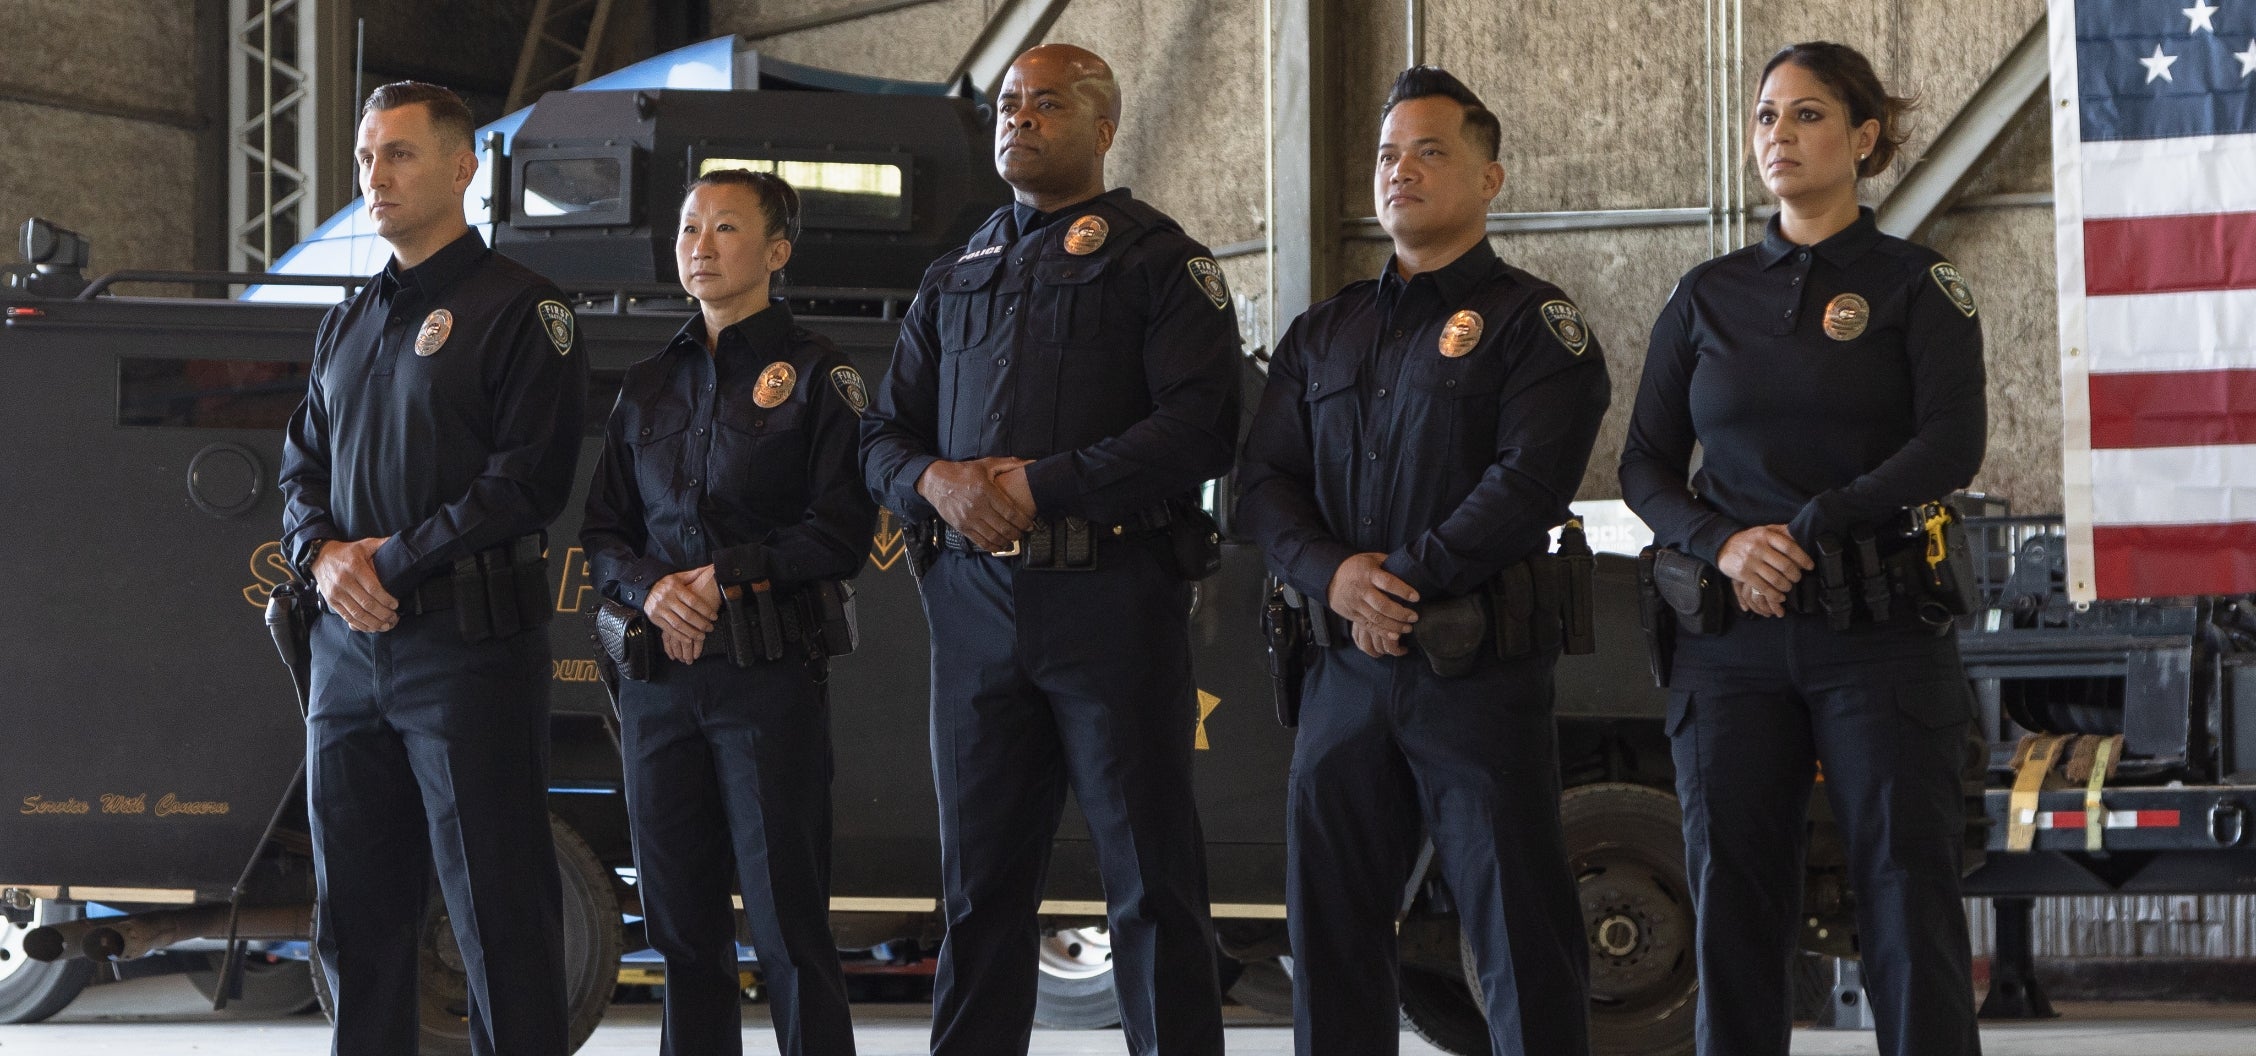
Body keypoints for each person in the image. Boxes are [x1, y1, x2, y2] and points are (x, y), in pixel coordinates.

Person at [860, 43, 1237, 1056]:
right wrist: (938, 483)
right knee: (978, 888)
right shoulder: (955, 272)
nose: (1019, 119)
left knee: (1151, 881)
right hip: (975, 610)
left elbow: (1203, 425)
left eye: (1048, 105)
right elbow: (880, 436)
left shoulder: (1160, 261)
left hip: (1111, 599)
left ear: (1104, 127)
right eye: (1008, 105)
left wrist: (1038, 485)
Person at [1618, 41, 1987, 1056]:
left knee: (1906, 891)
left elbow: (1950, 444)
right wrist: (1725, 542)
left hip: (1878, 635)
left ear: (1865, 140)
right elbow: (1644, 464)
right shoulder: (1706, 295)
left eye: (1808, 115)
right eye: (1765, 116)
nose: (1779, 134)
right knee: (1732, 896)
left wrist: (1814, 526)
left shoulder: (1919, 286)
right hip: (1731, 638)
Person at [1236, 65, 1606, 1056]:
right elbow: (1261, 486)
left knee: (1519, 933)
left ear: (1489, 180)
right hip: (1339, 674)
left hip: (1473, 669)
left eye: (1431, 151)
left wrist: (1402, 582)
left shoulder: (1537, 326)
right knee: (1331, 940)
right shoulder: (1324, 332)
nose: (1402, 170)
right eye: (1389, 154)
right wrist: (1336, 578)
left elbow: (1526, 483)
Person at [277, 81, 587, 1056]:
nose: (376, 175)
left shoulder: (524, 311)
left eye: (399, 154)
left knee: (497, 912)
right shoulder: (346, 320)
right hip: (345, 655)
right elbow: (299, 468)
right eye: (366, 157)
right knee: (356, 921)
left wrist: (390, 565)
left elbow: (525, 482)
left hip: (465, 649)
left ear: (462, 168)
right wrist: (323, 557)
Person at [581, 167, 874, 1056]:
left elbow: (841, 533)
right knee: (681, 932)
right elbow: (602, 532)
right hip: (659, 686)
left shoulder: (825, 374)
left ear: (777, 251)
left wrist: (720, 576)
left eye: (725, 230)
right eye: (688, 229)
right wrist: (651, 588)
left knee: (789, 929)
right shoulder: (646, 386)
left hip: (765, 679)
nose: (700, 247)